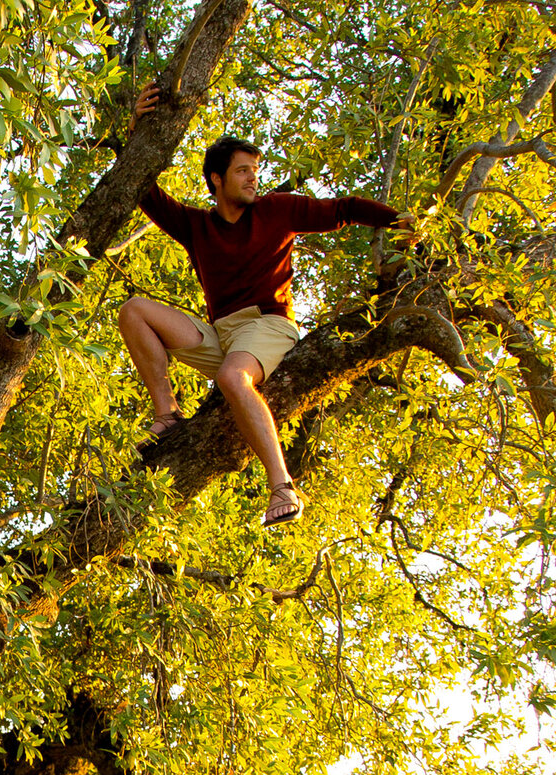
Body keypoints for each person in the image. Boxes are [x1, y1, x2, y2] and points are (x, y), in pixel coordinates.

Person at [118, 83, 415, 525]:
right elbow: (141, 185)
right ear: (217, 180)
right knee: (133, 310)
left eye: (255, 169)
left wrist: (399, 221)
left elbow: (343, 209)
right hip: (223, 334)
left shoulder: (276, 210)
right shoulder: (196, 226)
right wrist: (135, 127)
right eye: (242, 171)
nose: (253, 177)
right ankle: (168, 415)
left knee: (232, 378)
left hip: (269, 325)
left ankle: (283, 486)